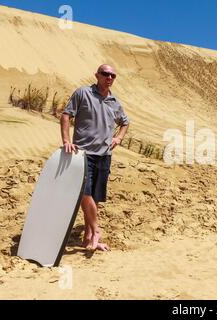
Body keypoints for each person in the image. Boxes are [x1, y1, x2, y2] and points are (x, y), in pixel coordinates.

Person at [61, 64, 130, 251]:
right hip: (82, 154)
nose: (109, 77)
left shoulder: (114, 101)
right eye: (105, 74)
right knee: (85, 193)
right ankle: (96, 229)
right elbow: (66, 115)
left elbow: (125, 122)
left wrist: (119, 137)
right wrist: (66, 140)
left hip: (104, 155)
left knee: (95, 197)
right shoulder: (83, 93)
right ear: (97, 75)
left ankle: (89, 238)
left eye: (112, 75)